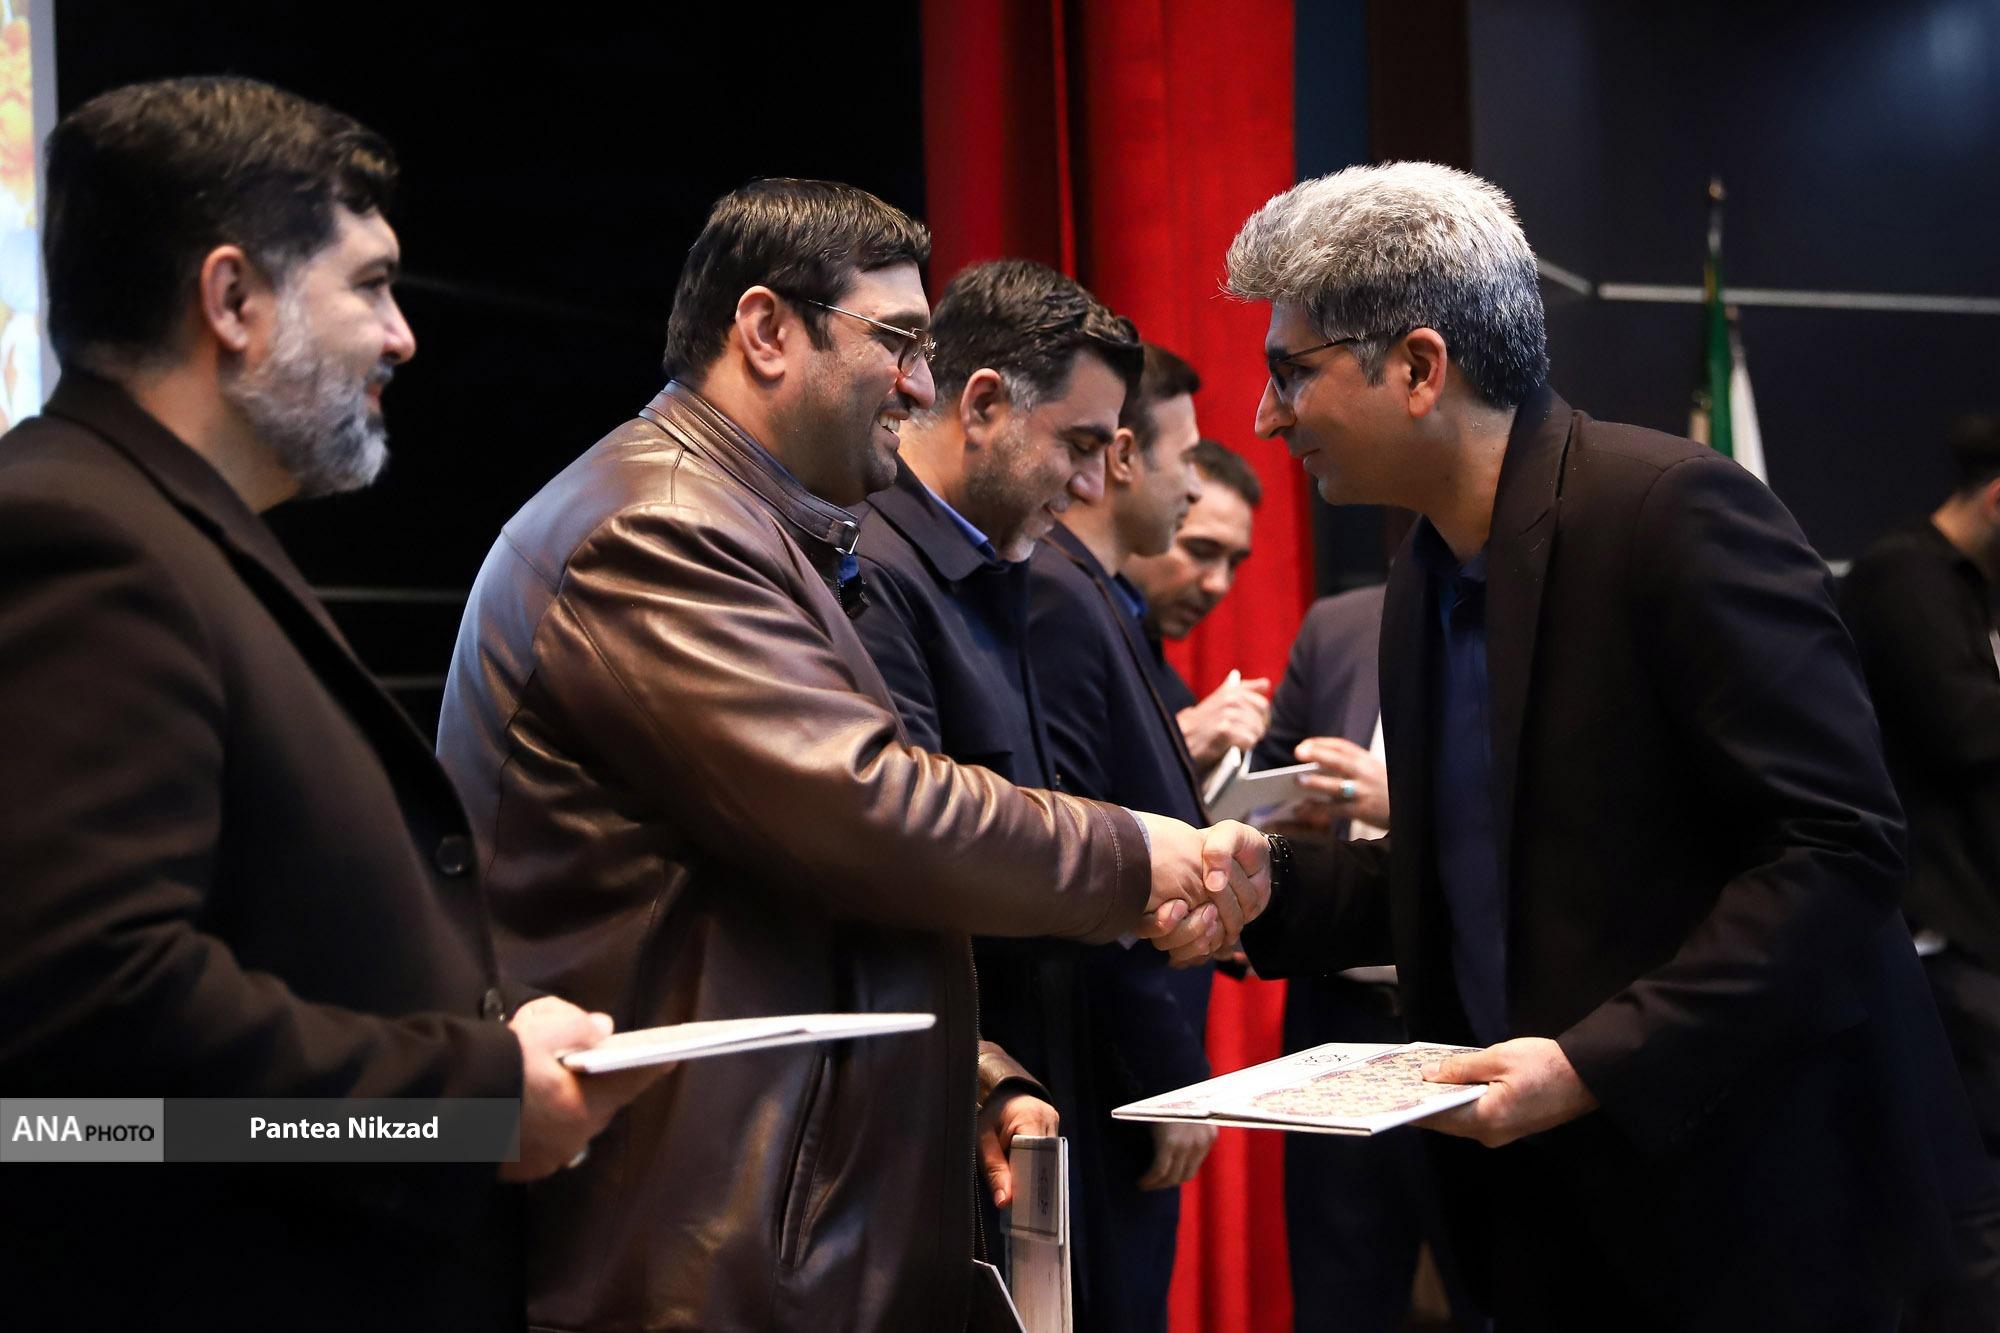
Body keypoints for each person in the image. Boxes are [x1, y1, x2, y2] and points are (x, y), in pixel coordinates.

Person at [435, 179, 1269, 1332]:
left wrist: (970, 1077)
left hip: (735, 1217)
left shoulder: (741, 521)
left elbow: (784, 896)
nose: (919, 385)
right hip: (691, 1240)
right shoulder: (660, 525)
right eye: (898, 342)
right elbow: (869, 810)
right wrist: (1137, 854)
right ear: (766, 331)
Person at [1214, 160, 1990, 1331]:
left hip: (1755, 1214)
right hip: (1552, 1221)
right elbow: (1479, 876)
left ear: (1418, 367)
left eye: (1290, 371)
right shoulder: (1424, 571)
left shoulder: (1674, 511)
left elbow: (1834, 849)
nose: (1266, 416)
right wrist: (1259, 886)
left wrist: (1592, 1063)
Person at [0, 77, 643, 1333]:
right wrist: (464, 1100)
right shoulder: (80, 538)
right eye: (370, 285)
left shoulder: (161, 530)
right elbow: (92, 1036)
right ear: (232, 300)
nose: (402, 336)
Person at [848, 257, 1140, 1315]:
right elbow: (906, 849)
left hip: (1013, 1082)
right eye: (1078, 444)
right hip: (942, 1108)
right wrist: (1141, 860)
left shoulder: (1000, 564)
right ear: (980, 404)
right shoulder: (878, 570)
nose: (1092, 484)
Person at [1025, 341, 1214, 1331]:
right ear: (1127, 456)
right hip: (1101, 1080)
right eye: (1188, 456)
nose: (1197, 485)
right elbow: (1085, 861)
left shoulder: (1099, 594)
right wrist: (1165, 1073)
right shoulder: (1060, 592)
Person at [1254, 585, 1481, 1332]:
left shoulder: (1541, 613)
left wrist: (1404, 805)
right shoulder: (1339, 623)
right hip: (1339, 1020)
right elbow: (1259, 794)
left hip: (1478, 1026)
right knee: (1338, 1294)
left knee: (1494, 1287)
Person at [1841, 412, 2000, 1330]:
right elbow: (1968, 731)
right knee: (1970, 1199)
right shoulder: (1904, 577)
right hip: (1937, 931)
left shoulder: (1965, 585)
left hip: (1971, 924)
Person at [1124, 439, 1271, 770]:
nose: (1218, 584)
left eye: (1234, 563)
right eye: (1200, 551)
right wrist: (1182, 742)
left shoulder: (1170, 688)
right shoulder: (1064, 619)